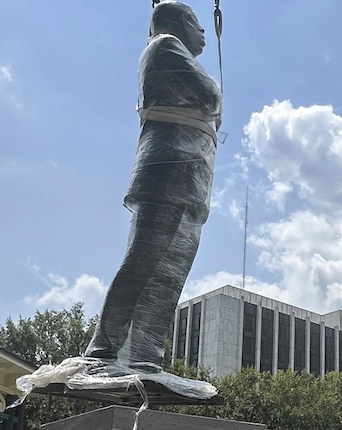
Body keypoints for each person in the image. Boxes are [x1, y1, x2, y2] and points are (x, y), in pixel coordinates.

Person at [84, 1, 221, 374]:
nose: (204, 31)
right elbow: (208, 95)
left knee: (169, 274)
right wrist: (214, 100)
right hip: (166, 174)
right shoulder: (163, 45)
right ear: (174, 22)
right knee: (143, 263)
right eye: (195, 22)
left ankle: (144, 355)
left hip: (190, 181)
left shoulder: (173, 49)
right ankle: (104, 350)